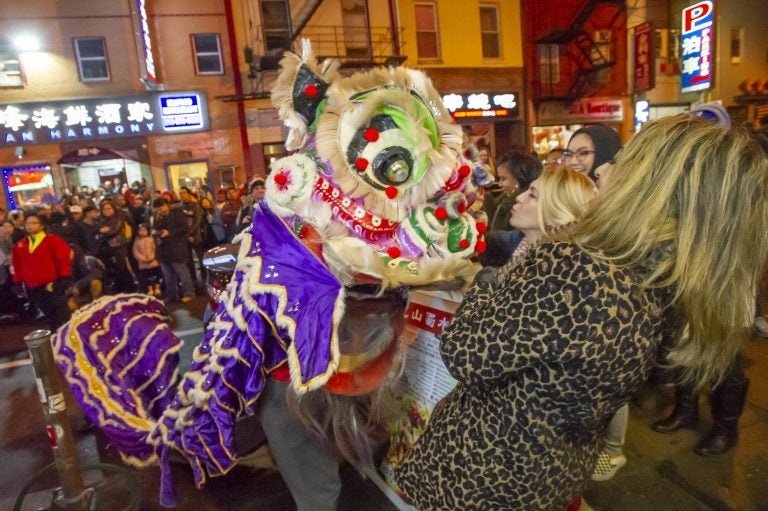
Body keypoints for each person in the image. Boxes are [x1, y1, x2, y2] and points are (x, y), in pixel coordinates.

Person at [395, 115, 768, 509]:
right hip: (557, 466)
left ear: (652, 188)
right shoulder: (669, 282)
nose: (603, 170)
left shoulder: (578, 267)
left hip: (486, 470)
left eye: (623, 162)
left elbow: (465, 354)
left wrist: (488, 287)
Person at [11, 213, 73, 330]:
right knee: (48, 313)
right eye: (27, 223)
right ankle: (55, 336)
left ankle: (69, 336)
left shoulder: (53, 240)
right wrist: (18, 281)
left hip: (52, 282)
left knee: (62, 312)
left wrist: (65, 277)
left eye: (33, 223)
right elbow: (17, 265)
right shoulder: (21, 244)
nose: (29, 226)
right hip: (33, 285)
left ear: (42, 225)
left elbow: (63, 260)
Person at [480, 150, 541, 267]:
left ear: (520, 179)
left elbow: (506, 240)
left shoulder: (519, 209)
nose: (500, 184)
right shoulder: (502, 202)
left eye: (504, 179)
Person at [153, 198, 194, 303]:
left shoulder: (176, 214)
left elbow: (184, 228)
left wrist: (170, 232)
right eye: (157, 209)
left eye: (161, 207)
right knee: (168, 274)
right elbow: (155, 229)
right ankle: (171, 295)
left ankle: (188, 293)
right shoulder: (158, 217)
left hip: (176, 247)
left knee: (182, 272)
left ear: (166, 205)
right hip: (163, 249)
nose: (160, 210)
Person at [132, 224, 162, 296]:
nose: (142, 232)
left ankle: (157, 288)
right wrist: (142, 259)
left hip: (153, 262)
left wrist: (152, 257)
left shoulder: (151, 239)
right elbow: (135, 251)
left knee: (156, 275)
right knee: (146, 277)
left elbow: (155, 249)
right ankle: (150, 289)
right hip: (143, 264)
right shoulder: (137, 241)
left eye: (144, 230)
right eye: (140, 230)